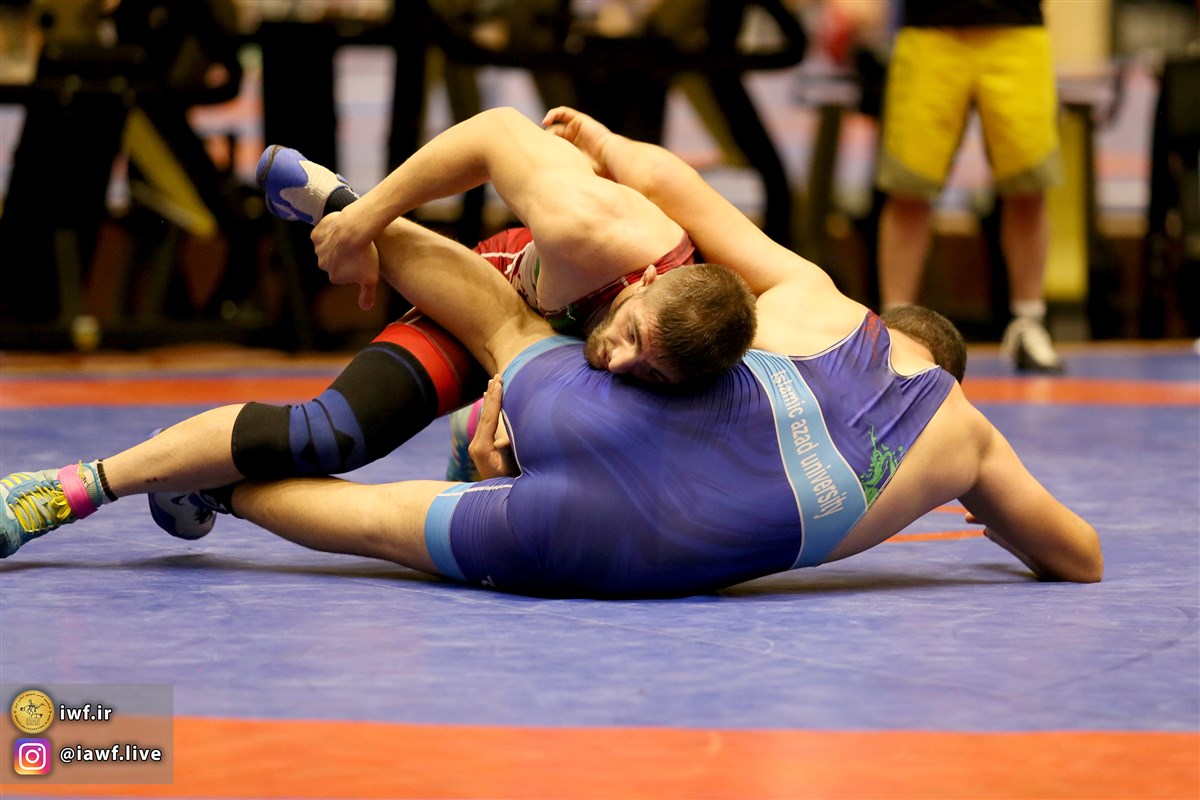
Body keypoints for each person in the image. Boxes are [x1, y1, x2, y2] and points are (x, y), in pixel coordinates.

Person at [0, 107, 1100, 597]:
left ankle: (205, 478)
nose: (623, 359)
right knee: (344, 453)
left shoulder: (801, 310)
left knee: (493, 389)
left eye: (646, 363)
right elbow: (1078, 557)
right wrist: (362, 217)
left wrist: (527, 422)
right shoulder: (627, 239)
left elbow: (681, 211)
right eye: (634, 339)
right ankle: (133, 477)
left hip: (562, 397)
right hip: (518, 320)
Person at [874, 0, 1066, 373]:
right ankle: (892, 332)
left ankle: (1029, 322)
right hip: (931, 33)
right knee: (908, 189)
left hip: (1017, 31)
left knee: (1029, 187)